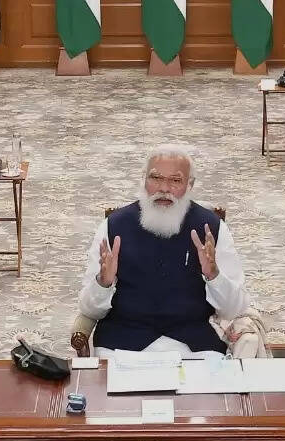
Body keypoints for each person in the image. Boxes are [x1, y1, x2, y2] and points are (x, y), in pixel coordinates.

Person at [78, 145, 249, 358]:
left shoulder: (211, 229)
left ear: (189, 185)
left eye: (175, 180)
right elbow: (88, 309)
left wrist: (214, 275)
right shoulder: (113, 226)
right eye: (156, 178)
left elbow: (234, 309)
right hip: (122, 345)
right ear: (144, 179)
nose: (164, 188)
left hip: (195, 347)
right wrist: (103, 283)